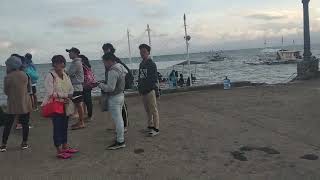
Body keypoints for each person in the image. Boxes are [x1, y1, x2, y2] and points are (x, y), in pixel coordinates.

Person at [42, 55, 78, 159]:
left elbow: (71, 87)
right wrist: (65, 96)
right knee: (57, 127)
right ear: (54, 64)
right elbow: (50, 93)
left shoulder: (65, 74)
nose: (61, 64)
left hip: (65, 104)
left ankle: (65, 147)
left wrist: (70, 95)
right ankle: (59, 150)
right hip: (56, 105)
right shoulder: (50, 76)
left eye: (62, 62)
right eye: (58, 62)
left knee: (64, 126)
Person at [0, 56, 33, 152]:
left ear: (10, 66)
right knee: (25, 123)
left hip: (12, 103)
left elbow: (6, 91)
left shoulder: (8, 77)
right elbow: (29, 89)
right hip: (25, 102)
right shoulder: (26, 75)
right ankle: (24, 143)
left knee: (8, 124)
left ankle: (3, 145)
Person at [98, 53, 128, 150]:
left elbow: (110, 88)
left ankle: (120, 141)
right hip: (121, 95)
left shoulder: (112, 71)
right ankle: (120, 138)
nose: (104, 65)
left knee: (117, 119)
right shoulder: (120, 66)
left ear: (109, 61)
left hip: (114, 97)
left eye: (104, 62)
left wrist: (100, 85)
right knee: (119, 118)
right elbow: (126, 73)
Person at [102, 43, 131, 131]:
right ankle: (117, 125)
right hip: (112, 86)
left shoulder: (116, 60)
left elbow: (126, 72)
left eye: (107, 49)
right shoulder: (107, 61)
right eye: (104, 50)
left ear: (111, 50)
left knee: (122, 107)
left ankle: (125, 125)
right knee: (115, 110)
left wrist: (123, 84)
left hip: (119, 88)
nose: (105, 51)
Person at [138, 44, 160, 137]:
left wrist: (148, 88)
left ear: (148, 52)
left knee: (154, 110)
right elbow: (140, 77)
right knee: (147, 110)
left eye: (144, 52)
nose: (142, 53)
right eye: (141, 52)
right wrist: (140, 87)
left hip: (150, 91)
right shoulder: (141, 63)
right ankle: (150, 126)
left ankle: (156, 128)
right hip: (143, 91)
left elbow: (154, 79)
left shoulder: (151, 64)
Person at [66, 47, 85, 130]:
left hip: (77, 86)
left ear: (75, 53)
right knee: (78, 105)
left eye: (70, 52)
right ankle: (80, 122)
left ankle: (81, 122)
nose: (69, 54)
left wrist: (63, 70)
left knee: (79, 105)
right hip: (76, 86)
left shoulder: (76, 63)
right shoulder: (76, 62)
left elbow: (69, 73)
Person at [79, 54, 93, 122]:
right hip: (89, 85)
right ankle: (88, 115)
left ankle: (89, 116)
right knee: (87, 101)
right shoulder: (88, 66)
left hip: (85, 85)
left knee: (87, 102)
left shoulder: (82, 66)